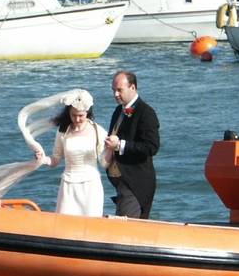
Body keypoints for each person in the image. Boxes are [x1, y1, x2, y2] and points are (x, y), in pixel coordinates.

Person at [35, 89, 112, 217]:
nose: (76, 119)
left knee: (90, 224)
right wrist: (43, 159)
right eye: (73, 115)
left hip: (91, 185)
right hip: (68, 185)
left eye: (81, 115)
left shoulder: (97, 131)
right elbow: (55, 159)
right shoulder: (63, 131)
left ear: (87, 112)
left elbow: (104, 163)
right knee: (64, 223)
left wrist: (112, 148)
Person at [105, 71, 160, 218]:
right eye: (113, 90)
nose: (115, 94)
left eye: (119, 90)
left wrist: (120, 145)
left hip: (136, 181)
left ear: (133, 88)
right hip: (120, 180)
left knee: (126, 227)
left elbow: (152, 147)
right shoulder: (118, 111)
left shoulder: (146, 112)